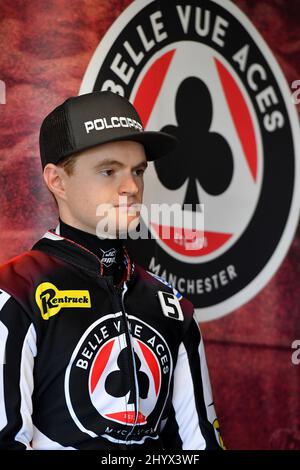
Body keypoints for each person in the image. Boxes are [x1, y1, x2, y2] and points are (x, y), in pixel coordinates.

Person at [0, 91, 224, 450]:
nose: (132, 187)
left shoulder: (172, 304)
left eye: (138, 171)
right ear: (57, 181)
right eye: (109, 171)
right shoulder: (15, 291)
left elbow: (200, 443)